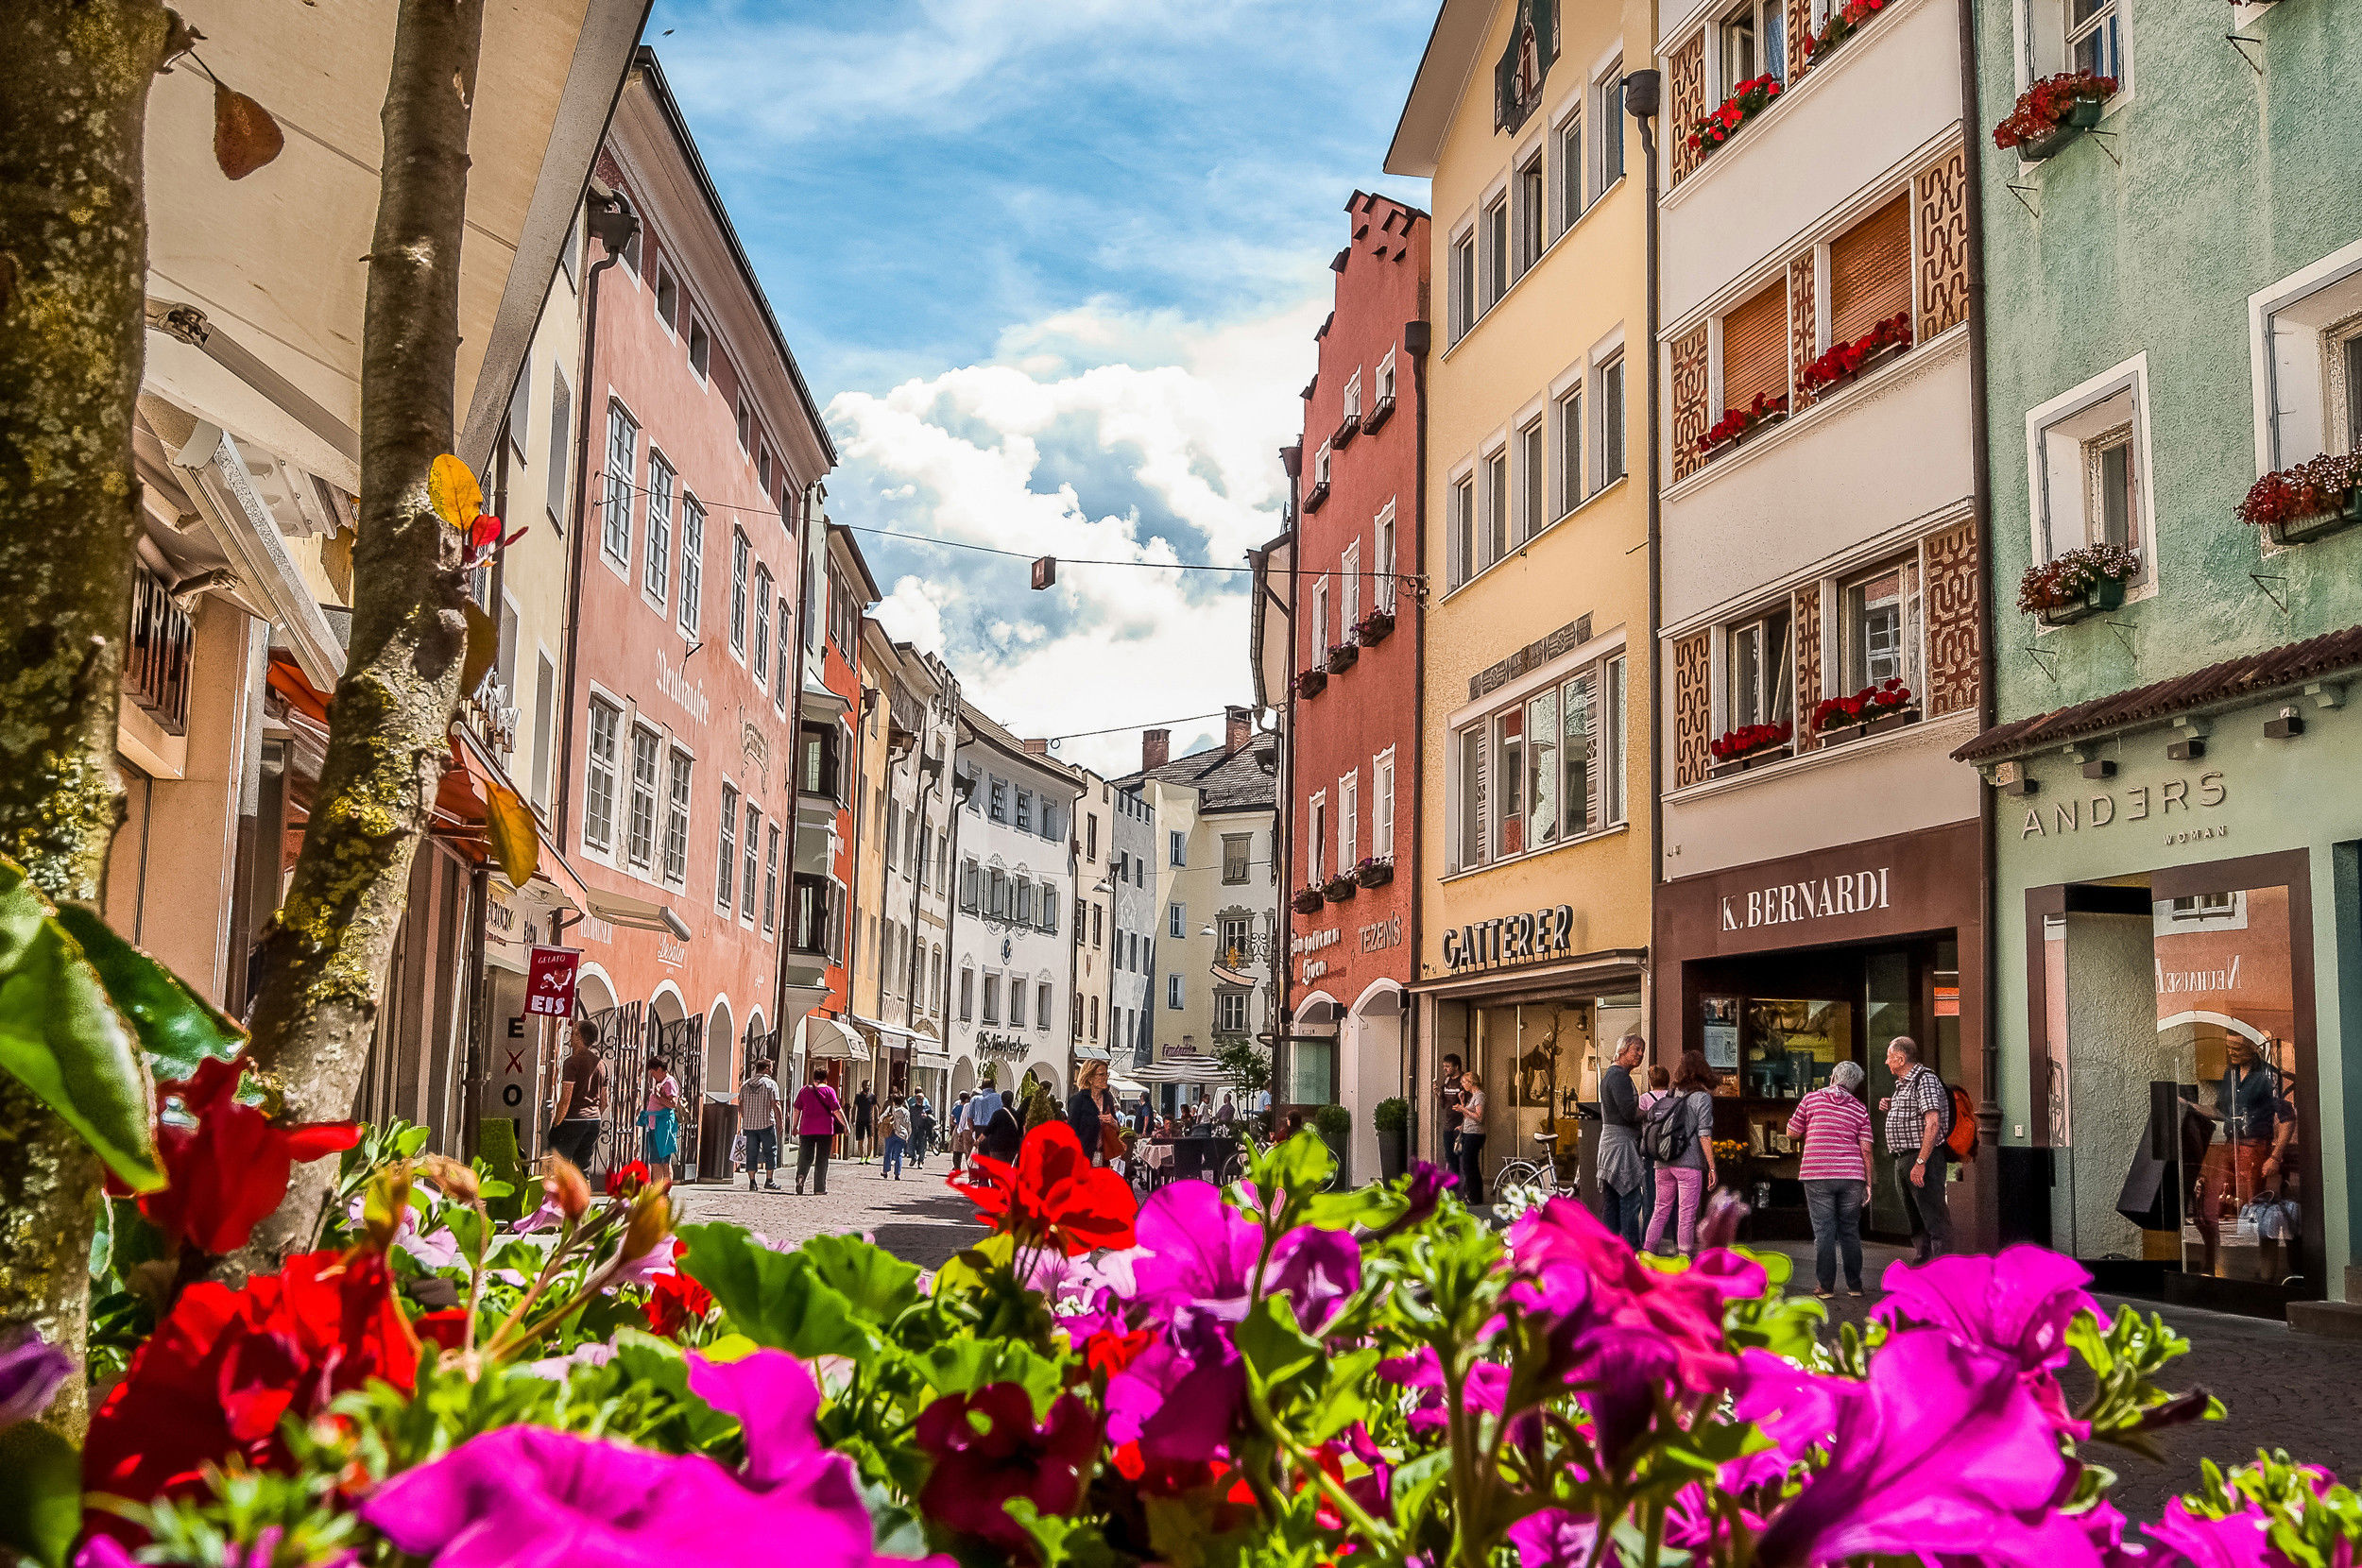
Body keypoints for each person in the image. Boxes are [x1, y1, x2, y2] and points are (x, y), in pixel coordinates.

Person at [2192, 1034, 2280, 1276]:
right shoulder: (2230, 1074)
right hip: (2230, 1142)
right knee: (2210, 1205)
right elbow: (2221, 1110)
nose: (2232, 1052)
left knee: (2255, 1210)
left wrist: (2276, 1154)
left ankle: (2265, 1271)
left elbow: (2282, 1113)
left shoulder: (2267, 1074)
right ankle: (2211, 1262)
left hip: (2254, 1144)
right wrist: (2193, 1107)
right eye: (2229, 1048)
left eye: (2238, 1048)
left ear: (2252, 1048)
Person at [1789, 1060, 1875, 1297]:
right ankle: (1855, 1286)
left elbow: (1792, 1132)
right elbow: (1866, 1148)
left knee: (1824, 1231)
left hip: (1817, 1173)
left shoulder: (1810, 1099)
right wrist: (1868, 1182)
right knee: (1849, 1230)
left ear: (1832, 1077)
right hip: (1851, 1176)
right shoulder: (1859, 1108)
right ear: (1855, 1085)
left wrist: (1813, 1128)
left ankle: (1825, 1287)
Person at [1878, 1035, 1951, 1262]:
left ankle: (1943, 1270)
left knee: (1934, 1217)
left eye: (1889, 1057)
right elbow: (1913, 1114)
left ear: (1900, 1059)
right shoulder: (1903, 1084)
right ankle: (1923, 1263)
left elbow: (1933, 1122)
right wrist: (1892, 1105)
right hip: (1904, 1158)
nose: (1886, 1062)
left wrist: (1920, 1162)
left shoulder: (1924, 1079)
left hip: (1921, 1157)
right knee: (1916, 1218)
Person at [1643, 1050, 1719, 1256]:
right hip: (1689, 1162)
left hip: (1663, 1161)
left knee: (1660, 1209)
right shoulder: (1701, 1098)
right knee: (1686, 1215)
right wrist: (1711, 1166)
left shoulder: (1671, 1093)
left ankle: (1647, 1254)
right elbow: (1704, 1134)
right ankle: (1684, 1258)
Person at [1595, 1034, 1649, 1247]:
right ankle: (1630, 1249)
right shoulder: (1619, 1077)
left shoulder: (1611, 1075)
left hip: (1610, 1143)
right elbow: (1629, 1113)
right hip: (1621, 1145)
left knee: (1612, 1201)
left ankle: (1609, 1248)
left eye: (1642, 1050)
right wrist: (1649, 1112)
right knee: (1630, 1198)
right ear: (1624, 1049)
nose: (1640, 1054)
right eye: (1637, 1049)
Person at [549, 1019, 607, 1172]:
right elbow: (605, 1101)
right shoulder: (601, 1064)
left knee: (559, 1167)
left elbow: (566, 1099)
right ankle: (582, 1196)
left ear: (579, 1036)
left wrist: (556, 1124)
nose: (570, 1037)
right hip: (594, 1120)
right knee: (582, 1170)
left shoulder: (572, 1062)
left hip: (573, 1119)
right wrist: (592, 1115)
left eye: (573, 1033)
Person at [794, 1065, 848, 1196]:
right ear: (825, 1078)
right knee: (822, 1159)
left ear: (814, 1077)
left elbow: (797, 1110)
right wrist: (846, 1125)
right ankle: (819, 1188)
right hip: (825, 1129)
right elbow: (837, 1110)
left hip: (806, 1128)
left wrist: (794, 1126)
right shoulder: (829, 1091)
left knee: (805, 1156)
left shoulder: (804, 1090)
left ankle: (801, 1176)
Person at [736, 1057, 784, 1192]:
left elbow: (741, 1105)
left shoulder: (745, 1084)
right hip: (766, 1124)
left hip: (749, 1126)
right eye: (771, 1068)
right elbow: (776, 1104)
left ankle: (752, 1182)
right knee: (771, 1151)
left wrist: (745, 1118)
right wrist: (780, 1123)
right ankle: (769, 1180)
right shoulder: (770, 1084)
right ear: (767, 1069)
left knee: (751, 1153)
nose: (772, 1070)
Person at [1636, 1064, 1669, 1240]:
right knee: (1670, 1195)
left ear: (1650, 1082)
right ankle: (1670, 1234)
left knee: (1649, 1194)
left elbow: (1638, 1120)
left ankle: (1647, 1237)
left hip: (1650, 1152)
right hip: (1669, 1151)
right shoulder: (1673, 1098)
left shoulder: (1644, 1098)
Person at [1069, 1060, 1121, 1166]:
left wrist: (1114, 1123)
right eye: (1101, 1074)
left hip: (1104, 1156)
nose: (1106, 1078)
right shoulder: (1078, 1100)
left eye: (1107, 1074)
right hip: (1083, 1157)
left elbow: (1117, 1129)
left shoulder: (1108, 1098)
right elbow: (1071, 1133)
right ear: (1090, 1078)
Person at [639, 1056, 681, 1183]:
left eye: (652, 1072)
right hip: (655, 1125)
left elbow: (673, 1103)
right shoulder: (662, 1082)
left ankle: (663, 1193)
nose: (652, 1076)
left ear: (658, 1069)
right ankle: (660, 1192)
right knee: (657, 1162)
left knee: (661, 1163)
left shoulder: (669, 1082)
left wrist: (657, 1096)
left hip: (662, 1127)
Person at [1456, 1070, 1488, 1205]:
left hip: (1475, 1135)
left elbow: (1479, 1118)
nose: (1462, 1085)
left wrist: (1463, 1109)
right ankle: (1471, 1195)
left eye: (1464, 1082)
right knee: (1468, 1165)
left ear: (1471, 1082)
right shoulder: (1473, 1096)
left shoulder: (1479, 1096)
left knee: (1470, 1166)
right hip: (1469, 1133)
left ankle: (1475, 1197)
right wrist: (1463, 1103)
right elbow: (1469, 1115)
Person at [1437, 1053, 1465, 1175]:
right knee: (1450, 1156)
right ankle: (1454, 1187)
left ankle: (1463, 1188)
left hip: (1461, 1126)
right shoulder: (1447, 1081)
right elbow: (1443, 1104)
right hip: (1449, 1125)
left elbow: (1470, 1102)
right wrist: (1438, 1093)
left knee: (1462, 1157)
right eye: (1444, 1066)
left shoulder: (1464, 1081)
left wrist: (1464, 1123)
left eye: (1448, 1066)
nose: (1445, 1068)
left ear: (1456, 1067)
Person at [879, 1097, 911, 1181]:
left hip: (891, 1133)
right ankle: (897, 1174)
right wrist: (908, 1135)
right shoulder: (906, 1112)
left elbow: (881, 1118)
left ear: (893, 1102)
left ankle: (885, 1171)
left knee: (888, 1152)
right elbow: (908, 1124)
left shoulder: (891, 1109)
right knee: (899, 1154)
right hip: (902, 1135)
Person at [950, 1090, 975, 1172]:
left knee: (957, 1151)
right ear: (967, 1099)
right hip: (968, 1129)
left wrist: (955, 1126)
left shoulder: (956, 1108)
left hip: (958, 1129)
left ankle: (957, 1167)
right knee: (969, 1151)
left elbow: (951, 1121)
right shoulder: (969, 1107)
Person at [908, 1093, 936, 1168]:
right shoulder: (912, 1108)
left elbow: (932, 1117)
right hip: (913, 1128)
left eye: (921, 1099)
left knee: (922, 1146)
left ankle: (920, 1161)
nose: (919, 1100)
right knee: (910, 1145)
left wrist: (927, 1116)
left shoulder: (927, 1107)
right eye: (918, 1099)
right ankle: (913, 1157)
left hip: (923, 1129)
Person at [852, 1083, 877, 1162]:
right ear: (862, 1086)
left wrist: (877, 1118)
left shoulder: (872, 1096)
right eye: (866, 1085)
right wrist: (853, 1118)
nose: (868, 1087)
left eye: (869, 1085)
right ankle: (862, 1157)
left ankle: (868, 1157)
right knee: (860, 1139)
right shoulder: (858, 1096)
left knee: (870, 1138)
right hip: (860, 1120)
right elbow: (854, 1107)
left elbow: (875, 1108)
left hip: (869, 1120)